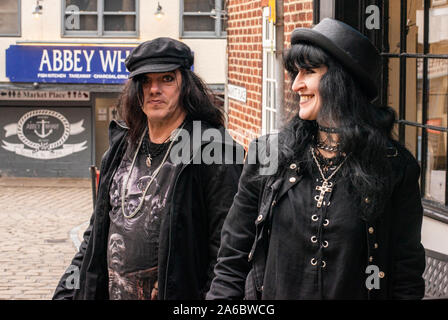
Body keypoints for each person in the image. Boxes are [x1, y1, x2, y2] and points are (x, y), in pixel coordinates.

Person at [206, 18, 426, 300]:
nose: (296, 85)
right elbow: (232, 262)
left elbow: (405, 277)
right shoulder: (268, 156)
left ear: (342, 81)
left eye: (308, 71)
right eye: (295, 73)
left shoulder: (394, 168)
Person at [53, 37, 244, 300]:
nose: (154, 89)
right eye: (146, 81)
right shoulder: (120, 148)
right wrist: (66, 291)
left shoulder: (214, 150)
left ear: (185, 85)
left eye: (166, 79)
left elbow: (229, 249)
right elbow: (95, 235)